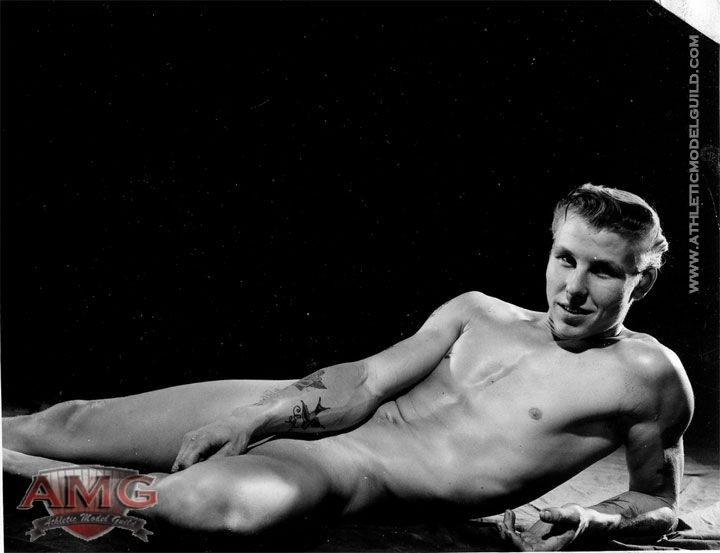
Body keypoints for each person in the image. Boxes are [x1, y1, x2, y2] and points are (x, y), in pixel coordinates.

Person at [3, 184, 693, 551]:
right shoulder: (479, 311)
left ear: (644, 280)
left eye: (604, 271)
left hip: (356, 472)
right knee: (71, 421)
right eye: (565, 259)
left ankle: (19, 478)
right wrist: (259, 414)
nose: (573, 288)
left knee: (208, 506)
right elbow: (365, 379)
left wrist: (593, 520)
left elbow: (655, 499)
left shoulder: (648, 375)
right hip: (309, 415)